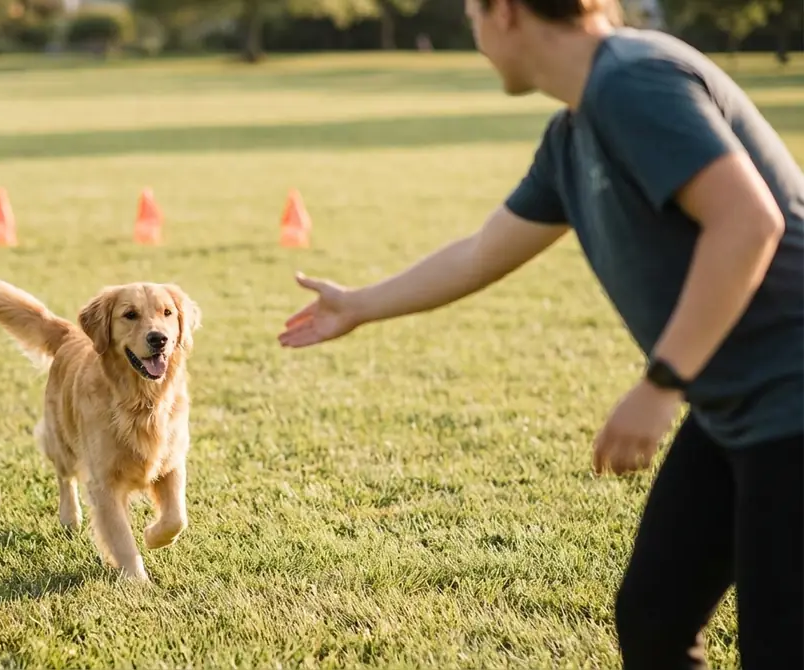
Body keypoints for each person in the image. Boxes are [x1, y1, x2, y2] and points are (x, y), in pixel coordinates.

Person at [276, 1, 803, 668]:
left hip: (790, 402)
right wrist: (359, 305)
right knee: (655, 616)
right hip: (739, 405)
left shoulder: (634, 80)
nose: (475, 38)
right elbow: (480, 252)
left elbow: (748, 223)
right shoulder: (574, 134)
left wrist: (662, 382)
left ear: (505, 12)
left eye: (472, 14)